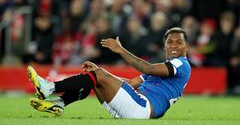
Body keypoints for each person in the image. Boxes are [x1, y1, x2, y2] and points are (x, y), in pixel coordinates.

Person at [27, 27, 191, 119]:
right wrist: (102, 74)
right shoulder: (163, 67)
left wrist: (121, 50)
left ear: (186, 46)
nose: (174, 45)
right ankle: (61, 103)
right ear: (164, 46)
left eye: (179, 42)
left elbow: (147, 68)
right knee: (95, 77)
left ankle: (49, 87)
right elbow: (132, 83)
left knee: (98, 76)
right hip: (135, 107)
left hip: (143, 107)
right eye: (170, 42)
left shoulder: (181, 64)